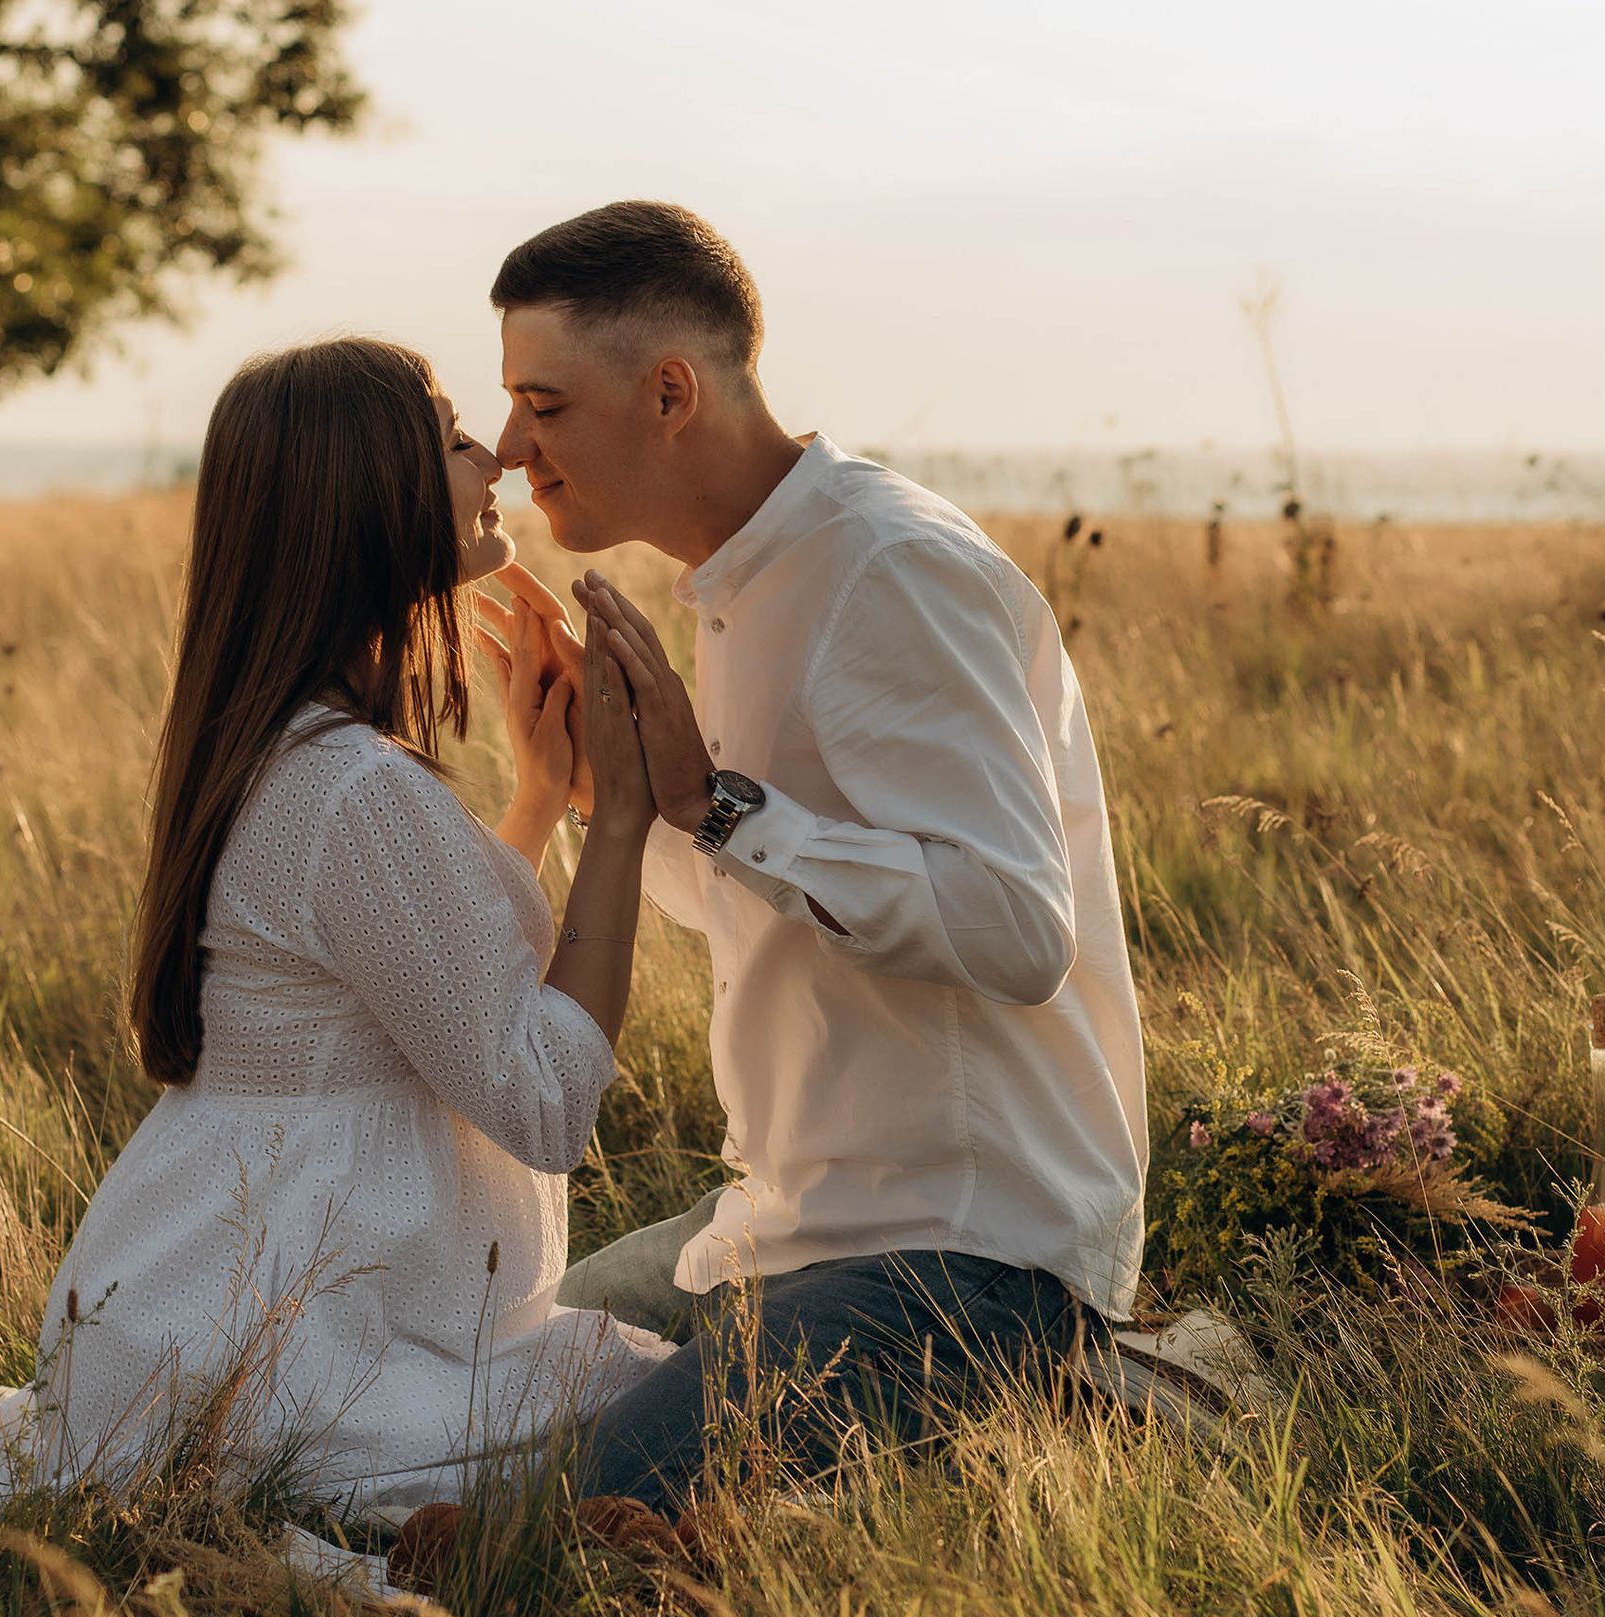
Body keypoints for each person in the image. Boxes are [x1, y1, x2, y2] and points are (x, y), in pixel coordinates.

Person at [0, 337, 672, 1532]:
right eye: (447, 434)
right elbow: (542, 1101)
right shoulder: (354, 790)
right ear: (365, 496)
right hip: (307, 1335)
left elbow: (417, 978)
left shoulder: (282, 749)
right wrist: (622, 820)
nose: (492, 452)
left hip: (207, 1294)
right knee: (686, 1399)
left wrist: (537, 803)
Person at [487, 203, 1151, 1511]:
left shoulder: (887, 569)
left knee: (557, 1523)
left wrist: (721, 802)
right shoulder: (747, 578)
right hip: (774, 1226)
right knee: (459, 1377)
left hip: (961, 1254)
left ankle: (1044, 1397)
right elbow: (762, 888)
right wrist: (590, 789)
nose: (512, 450)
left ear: (669, 390)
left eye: (543, 404)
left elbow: (1019, 930)